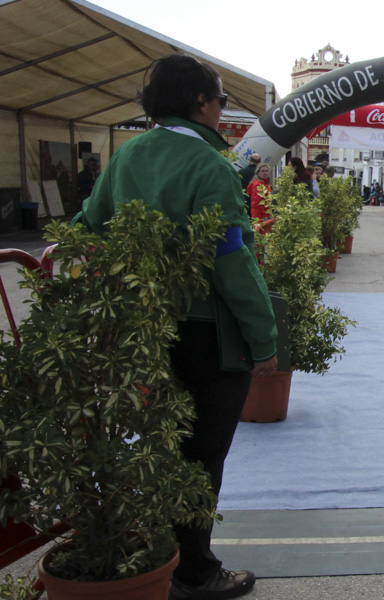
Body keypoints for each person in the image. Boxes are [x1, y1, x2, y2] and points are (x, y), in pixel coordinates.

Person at [72, 53, 275, 600]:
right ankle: (195, 569)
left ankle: (154, 550)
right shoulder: (211, 168)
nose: (223, 110)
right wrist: (264, 339)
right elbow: (232, 263)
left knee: (157, 442)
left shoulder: (126, 155)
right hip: (207, 335)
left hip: (139, 328)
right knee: (202, 454)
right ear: (201, 104)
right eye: (221, 100)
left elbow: (85, 230)